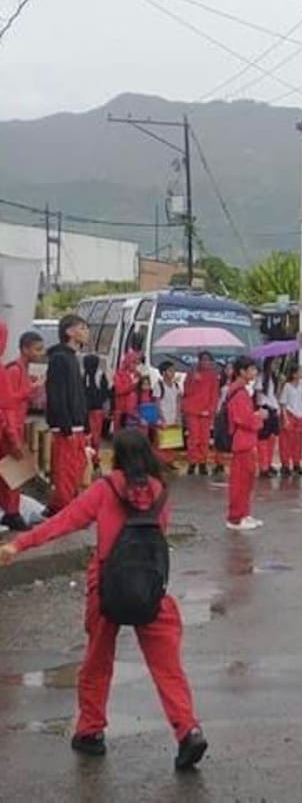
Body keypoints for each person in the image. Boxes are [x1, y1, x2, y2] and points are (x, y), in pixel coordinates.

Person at [0, 429, 208, 770]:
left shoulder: (105, 489)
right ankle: (188, 730)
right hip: (149, 587)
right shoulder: (160, 493)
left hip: (107, 585)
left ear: (119, 457)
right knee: (167, 667)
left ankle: (91, 731)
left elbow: (64, 522)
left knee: (97, 662)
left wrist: (18, 545)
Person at [45, 314, 92, 514]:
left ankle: (62, 505)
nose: (86, 332)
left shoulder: (72, 358)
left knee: (77, 467)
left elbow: (79, 393)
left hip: (77, 424)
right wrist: (65, 425)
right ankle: (65, 510)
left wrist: (86, 421)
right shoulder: (59, 359)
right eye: (82, 327)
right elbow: (57, 394)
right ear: (69, 332)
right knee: (65, 470)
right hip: (67, 426)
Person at [225, 356, 264, 532]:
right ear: (242, 371)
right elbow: (243, 419)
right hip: (242, 441)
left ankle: (244, 513)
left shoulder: (242, 391)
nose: (255, 373)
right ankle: (235, 517)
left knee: (247, 480)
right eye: (252, 369)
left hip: (246, 441)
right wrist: (259, 418)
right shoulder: (239, 392)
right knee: (240, 482)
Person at [0, 321, 32, 531]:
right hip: (6, 432)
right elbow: (6, 406)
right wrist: (13, 437)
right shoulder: (5, 371)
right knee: (14, 473)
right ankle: (11, 513)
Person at [181, 352, 219, 476]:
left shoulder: (213, 376)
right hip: (192, 410)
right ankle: (192, 462)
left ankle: (202, 462)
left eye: (208, 360)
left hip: (206, 412)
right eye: (203, 360)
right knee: (194, 438)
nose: (205, 362)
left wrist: (210, 409)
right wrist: (193, 380)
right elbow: (186, 391)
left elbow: (214, 395)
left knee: (204, 438)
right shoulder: (191, 373)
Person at [6, 329, 45, 433]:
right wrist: (33, 387)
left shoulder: (25, 369)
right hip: (11, 427)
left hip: (18, 425)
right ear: (25, 349)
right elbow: (9, 401)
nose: (42, 353)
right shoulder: (14, 369)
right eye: (38, 349)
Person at [278, 363, 302, 477]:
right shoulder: (287, 386)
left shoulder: (301, 385)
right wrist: (285, 419)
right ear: (294, 374)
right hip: (290, 415)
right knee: (286, 441)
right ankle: (285, 464)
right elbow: (283, 404)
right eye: (300, 371)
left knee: (298, 441)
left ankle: (296, 462)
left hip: (300, 415)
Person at [82, 354, 109, 476]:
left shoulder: (95, 375)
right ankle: (91, 460)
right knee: (91, 436)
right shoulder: (90, 375)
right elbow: (105, 392)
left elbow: (104, 391)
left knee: (93, 437)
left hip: (93, 410)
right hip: (91, 410)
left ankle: (93, 459)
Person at [255, 358, 282, 479]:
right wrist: (261, 407)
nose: (277, 365)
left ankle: (269, 463)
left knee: (272, 438)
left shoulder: (274, 378)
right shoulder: (261, 377)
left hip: (274, 409)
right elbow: (259, 394)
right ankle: (263, 466)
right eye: (275, 363)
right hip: (265, 408)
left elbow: (275, 395)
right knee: (263, 439)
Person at [112, 350, 142, 430]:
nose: (135, 365)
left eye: (136, 363)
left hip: (133, 410)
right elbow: (119, 390)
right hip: (121, 409)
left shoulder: (138, 374)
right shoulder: (119, 374)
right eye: (133, 362)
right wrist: (132, 385)